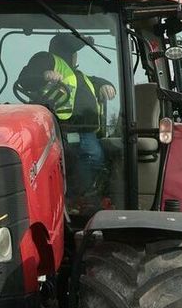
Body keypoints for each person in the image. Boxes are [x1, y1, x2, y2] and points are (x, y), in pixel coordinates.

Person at [18, 33, 117, 199]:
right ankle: (71, 197)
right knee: (80, 159)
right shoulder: (46, 60)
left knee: (95, 158)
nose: (76, 55)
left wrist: (105, 85)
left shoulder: (79, 75)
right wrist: (44, 75)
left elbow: (95, 80)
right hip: (58, 131)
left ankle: (77, 197)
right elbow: (25, 78)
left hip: (85, 132)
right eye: (74, 51)